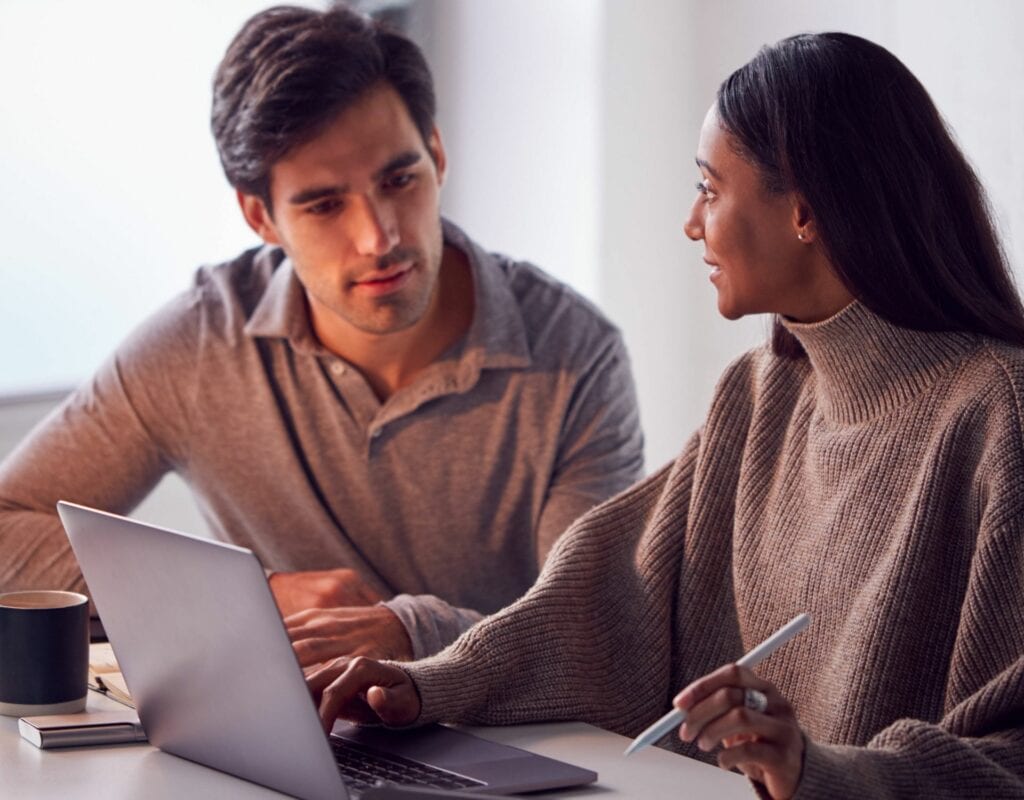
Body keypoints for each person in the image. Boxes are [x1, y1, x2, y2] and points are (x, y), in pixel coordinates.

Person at [306, 32, 1024, 799]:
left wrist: (820, 773)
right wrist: (429, 685)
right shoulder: (758, 396)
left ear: (806, 211)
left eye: (711, 190)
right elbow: (609, 597)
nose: (692, 222)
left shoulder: (999, 418)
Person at [0, 4, 643, 664]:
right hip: (299, 737)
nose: (380, 237)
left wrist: (415, 635)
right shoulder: (198, 347)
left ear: (438, 154)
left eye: (399, 180)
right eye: (325, 204)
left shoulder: (575, 353)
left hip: (519, 743)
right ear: (261, 217)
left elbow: (591, 625)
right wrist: (256, 594)